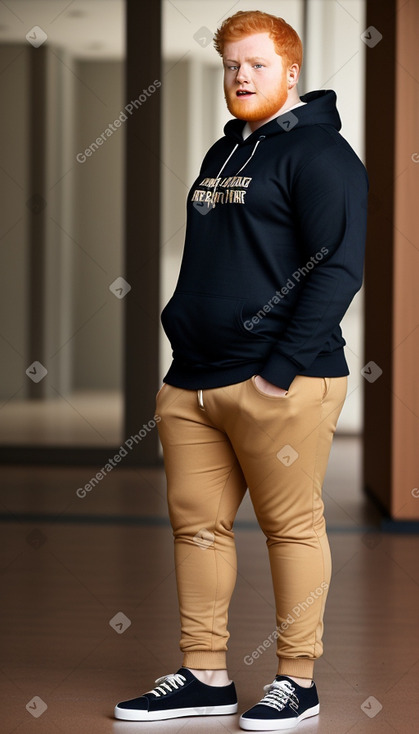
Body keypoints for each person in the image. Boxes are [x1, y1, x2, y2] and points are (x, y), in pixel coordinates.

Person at [114, 9, 368, 731]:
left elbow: (336, 271)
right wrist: (180, 364)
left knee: (290, 528)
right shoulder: (225, 153)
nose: (241, 77)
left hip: (278, 379)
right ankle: (205, 674)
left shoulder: (323, 156)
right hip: (193, 378)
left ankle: (297, 681)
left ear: (291, 72)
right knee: (196, 529)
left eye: (256, 65)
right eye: (230, 66)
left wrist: (281, 368)